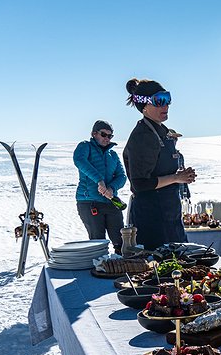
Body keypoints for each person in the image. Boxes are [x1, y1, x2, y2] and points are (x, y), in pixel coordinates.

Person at [123, 78, 196, 251]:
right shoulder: (143, 136)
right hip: (153, 219)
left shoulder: (162, 132)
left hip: (170, 214)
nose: (166, 106)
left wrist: (180, 177)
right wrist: (176, 178)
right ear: (144, 106)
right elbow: (140, 183)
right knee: (161, 270)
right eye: (159, 101)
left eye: (167, 99)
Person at [73, 120, 127, 254]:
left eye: (110, 136)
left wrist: (111, 189)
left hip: (110, 201)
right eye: (104, 135)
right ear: (94, 134)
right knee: (98, 242)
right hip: (89, 201)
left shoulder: (112, 155)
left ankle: (120, 267)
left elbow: (122, 176)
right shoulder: (85, 146)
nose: (107, 138)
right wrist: (99, 180)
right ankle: (99, 269)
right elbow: (80, 161)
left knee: (121, 240)